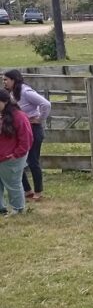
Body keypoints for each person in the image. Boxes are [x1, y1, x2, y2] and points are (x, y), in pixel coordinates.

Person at [3, 69, 51, 201]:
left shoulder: (26, 91)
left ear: (14, 80)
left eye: (6, 79)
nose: (4, 82)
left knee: (32, 161)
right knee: (17, 159)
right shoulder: (11, 93)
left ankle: (38, 191)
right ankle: (27, 190)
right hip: (19, 129)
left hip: (33, 128)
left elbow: (46, 104)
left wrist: (40, 119)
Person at [0, 89, 33, 216]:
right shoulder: (2, 115)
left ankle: (18, 209)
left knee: (13, 183)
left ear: (5, 101)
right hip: (3, 155)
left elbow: (27, 138)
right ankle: (1, 208)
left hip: (10, 158)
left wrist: (16, 154)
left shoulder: (19, 116)